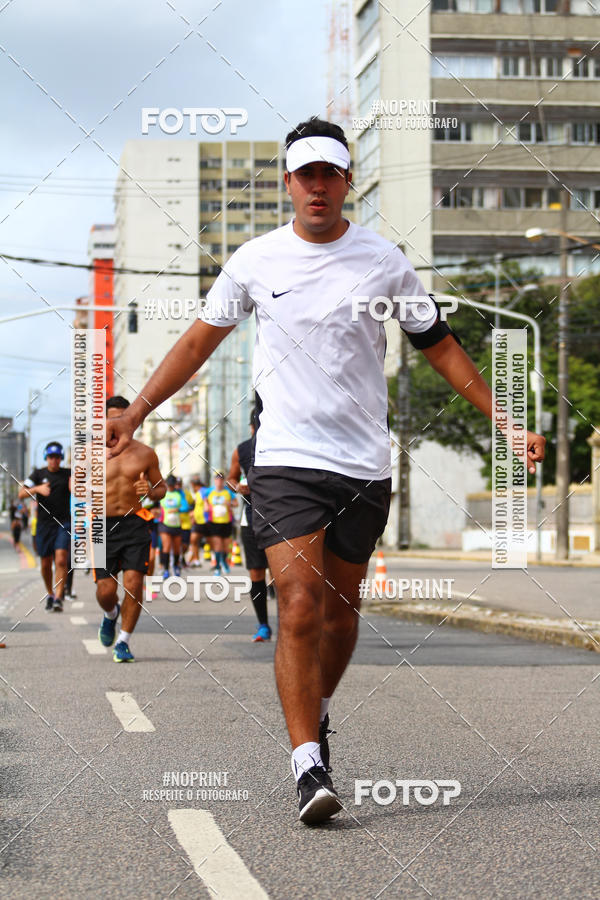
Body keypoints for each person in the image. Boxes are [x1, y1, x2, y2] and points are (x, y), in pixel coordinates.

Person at [106, 116, 546, 824]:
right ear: (288, 182)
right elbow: (197, 342)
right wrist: (138, 411)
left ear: (348, 182)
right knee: (300, 602)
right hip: (284, 458)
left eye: (329, 174)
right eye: (304, 174)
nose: (316, 186)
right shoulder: (255, 260)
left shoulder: (384, 262)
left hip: (363, 464)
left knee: (342, 617)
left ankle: (319, 709)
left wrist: (506, 418)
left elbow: (439, 344)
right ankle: (308, 765)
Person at [94, 396, 166, 662]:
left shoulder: (145, 453)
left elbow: (161, 489)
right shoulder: (90, 452)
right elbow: (73, 486)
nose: (117, 424)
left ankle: (123, 641)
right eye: (112, 418)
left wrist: (149, 490)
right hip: (102, 526)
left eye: (123, 418)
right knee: (105, 591)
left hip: (135, 522)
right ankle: (110, 614)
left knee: (134, 585)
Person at [227, 410, 272, 641]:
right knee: (256, 573)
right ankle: (263, 625)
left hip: (282, 518)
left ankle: (291, 626)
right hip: (250, 518)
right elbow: (231, 477)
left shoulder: (283, 445)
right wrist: (238, 487)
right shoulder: (242, 449)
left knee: (283, 573)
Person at [19, 441, 71, 612]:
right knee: (45, 563)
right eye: (50, 457)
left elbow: (88, 489)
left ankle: (58, 597)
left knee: (62, 559)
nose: (54, 460)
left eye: (57, 457)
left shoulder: (68, 474)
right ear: (46, 458)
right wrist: (37, 489)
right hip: (43, 525)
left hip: (63, 523)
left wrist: (77, 487)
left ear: (61, 458)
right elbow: (21, 494)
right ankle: (50, 593)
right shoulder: (38, 474)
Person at [204, 472, 236, 576]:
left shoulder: (228, 492)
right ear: (214, 480)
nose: (219, 482)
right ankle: (217, 568)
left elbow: (236, 503)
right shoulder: (209, 491)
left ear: (223, 481)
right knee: (217, 545)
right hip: (214, 522)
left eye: (221, 480)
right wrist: (206, 506)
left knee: (226, 547)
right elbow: (204, 501)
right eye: (217, 479)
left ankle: (224, 561)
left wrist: (230, 503)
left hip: (226, 522)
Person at [159, 475, 186, 578]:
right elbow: (156, 505)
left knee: (176, 548)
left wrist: (177, 509)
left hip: (176, 524)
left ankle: (175, 566)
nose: (170, 487)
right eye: (168, 485)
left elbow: (185, 506)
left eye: (171, 485)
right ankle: (166, 569)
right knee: (166, 546)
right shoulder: (162, 494)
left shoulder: (179, 494)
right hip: (165, 524)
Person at [189, 476, 209, 567]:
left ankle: (220, 559)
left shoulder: (204, 491)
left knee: (211, 541)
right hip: (198, 521)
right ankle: (196, 560)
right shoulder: (198, 493)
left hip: (205, 520)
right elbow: (198, 507)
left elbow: (207, 503)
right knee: (193, 540)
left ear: (194, 485)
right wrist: (193, 515)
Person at [175, 477, 194, 565]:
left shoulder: (186, 493)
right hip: (175, 523)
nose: (178, 486)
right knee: (177, 543)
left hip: (186, 523)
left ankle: (182, 556)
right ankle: (177, 559)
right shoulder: (172, 494)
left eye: (179, 484)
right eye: (176, 484)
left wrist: (191, 512)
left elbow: (193, 504)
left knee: (185, 544)